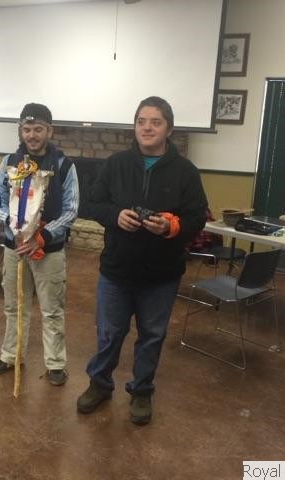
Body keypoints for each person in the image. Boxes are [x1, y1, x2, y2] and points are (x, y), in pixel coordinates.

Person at [76, 96, 208, 425]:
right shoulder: (116, 164)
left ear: (169, 129)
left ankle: (141, 390)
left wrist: (170, 227)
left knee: (151, 335)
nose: (147, 128)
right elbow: (90, 204)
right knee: (109, 333)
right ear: (134, 127)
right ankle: (99, 383)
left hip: (161, 275)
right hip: (116, 271)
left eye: (155, 122)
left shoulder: (186, 172)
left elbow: (196, 218)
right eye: (141, 121)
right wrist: (115, 215)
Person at [0, 103, 79, 386]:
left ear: (49, 131)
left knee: (51, 309)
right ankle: (11, 355)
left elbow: (71, 209)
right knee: (14, 306)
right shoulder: (9, 162)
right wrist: (13, 223)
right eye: (27, 129)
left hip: (47, 250)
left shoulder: (63, 165)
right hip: (14, 247)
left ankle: (55, 364)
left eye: (38, 129)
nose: (32, 135)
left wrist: (42, 235)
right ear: (21, 131)